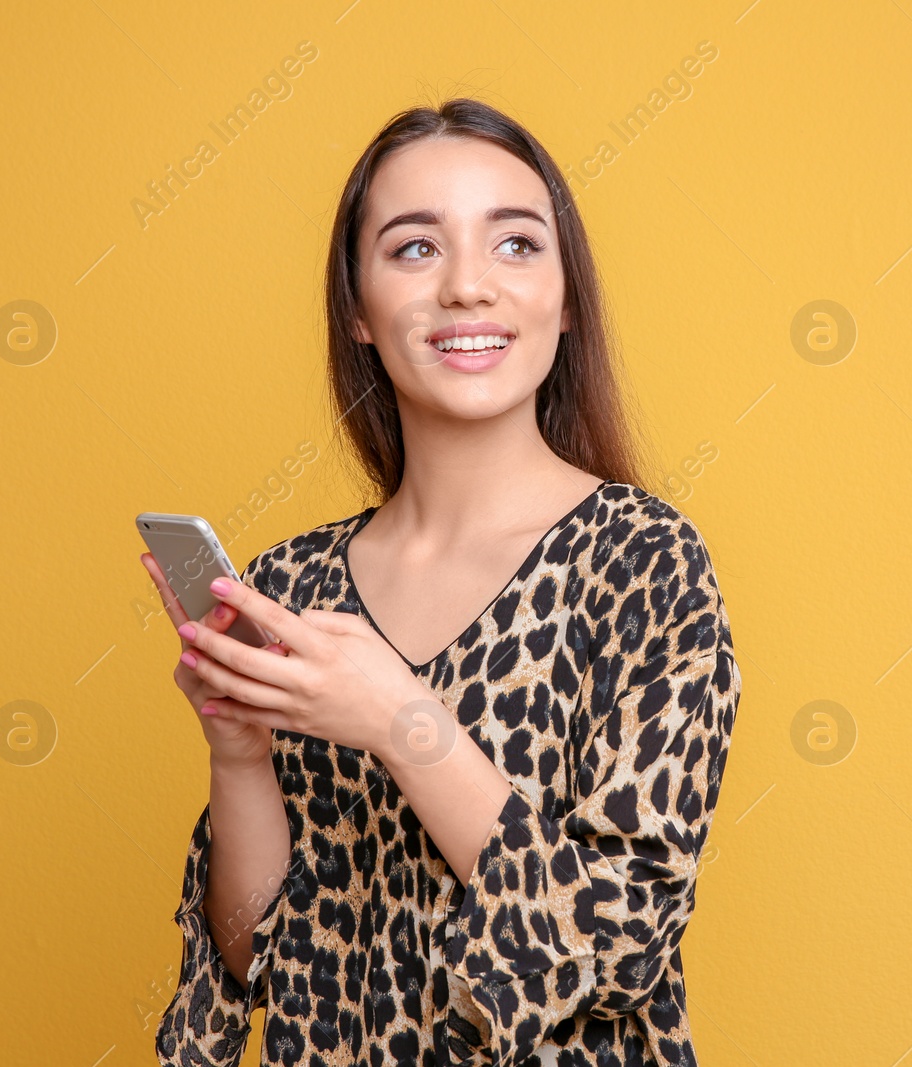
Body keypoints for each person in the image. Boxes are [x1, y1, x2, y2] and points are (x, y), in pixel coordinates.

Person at [139, 98, 741, 1067]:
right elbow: (261, 960)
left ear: (566, 296)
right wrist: (241, 753)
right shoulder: (294, 585)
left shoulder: (640, 559)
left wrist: (400, 721)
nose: (467, 286)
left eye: (514, 244)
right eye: (415, 249)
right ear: (358, 312)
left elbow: (615, 943)